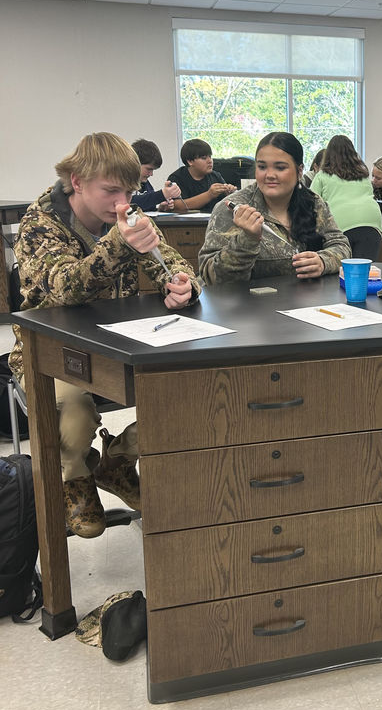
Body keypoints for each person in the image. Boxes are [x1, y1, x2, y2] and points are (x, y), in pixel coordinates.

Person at [9, 133, 201, 539]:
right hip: (49, 350)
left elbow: (176, 265)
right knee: (74, 411)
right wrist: (118, 244)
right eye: (110, 190)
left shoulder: (129, 218)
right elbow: (62, 288)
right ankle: (75, 477)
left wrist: (184, 285)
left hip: (117, 347)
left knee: (186, 395)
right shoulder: (39, 223)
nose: (121, 203)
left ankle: (114, 462)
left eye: (129, 191)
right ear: (77, 181)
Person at [199, 131, 351, 284]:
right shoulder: (232, 209)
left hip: (306, 304)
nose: (269, 175)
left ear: (299, 171)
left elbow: (342, 246)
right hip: (249, 305)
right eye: (262, 167)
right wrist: (247, 241)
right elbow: (212, 278)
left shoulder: (313, 203)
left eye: (280, 168)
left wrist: (323, 262)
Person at [310, 135, 382, 261]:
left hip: (341, 225)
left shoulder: (322, 176)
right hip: (371, 222)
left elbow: (310, 204)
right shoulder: (363, 175)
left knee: (340, 274)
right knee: (365, 273)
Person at [167, 138, 236, 213]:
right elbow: (176, 205)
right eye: (204, 158)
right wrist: (209, 195)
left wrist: (228, 193)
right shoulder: (177, 178)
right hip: (188, 223)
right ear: (190, 161)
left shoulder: (215, 176)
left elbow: (225, 202)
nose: (210, 161)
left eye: (210, 156)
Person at [130, 138, 182, 211]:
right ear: (135, 163)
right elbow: (129, 203)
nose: (151, 174)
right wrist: (162, 194)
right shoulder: (122, 182)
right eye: (149, 169)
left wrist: (160, 208)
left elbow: (146, 207)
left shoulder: (146, 184)